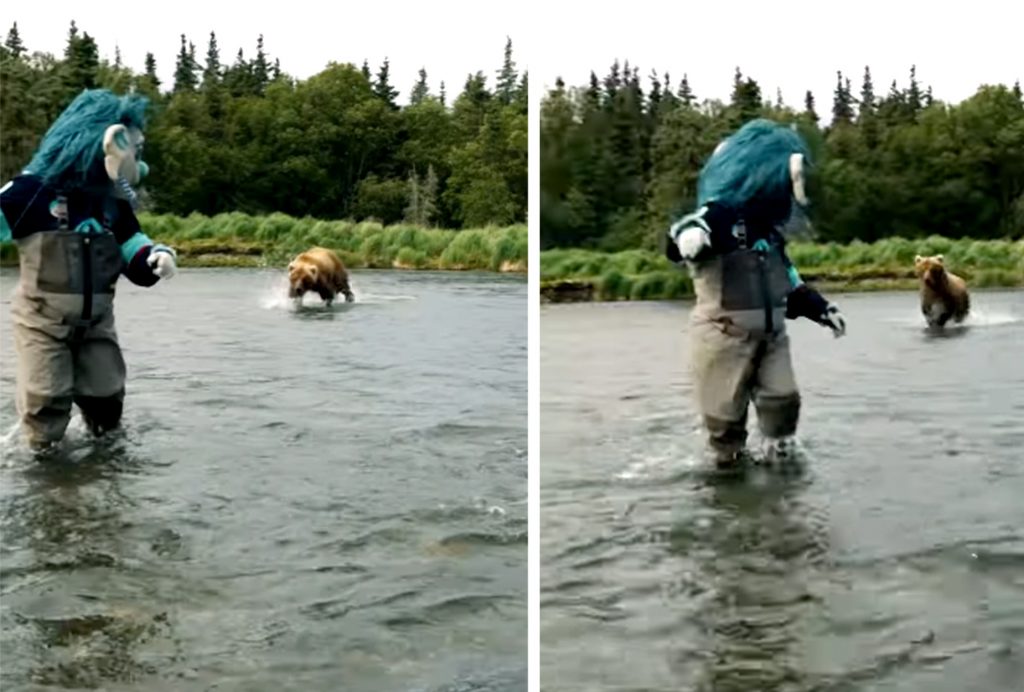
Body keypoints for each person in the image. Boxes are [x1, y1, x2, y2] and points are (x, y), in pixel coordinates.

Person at [0, 89, 178, 451]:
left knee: (107, 399)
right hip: (41, 322)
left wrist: (155, 257)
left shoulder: (112, 203)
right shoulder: (28, 191)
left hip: (98, 323)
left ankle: (105, 462)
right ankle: (42, 466)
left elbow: (134, 249)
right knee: (46, 398)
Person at [665, 119, 846, 468]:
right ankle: (727, 471)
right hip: (722, 337)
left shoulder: (772, 234)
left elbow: (788, 282)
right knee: (723, 417)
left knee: (784, 399)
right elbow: (684, 233)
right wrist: (689, 240)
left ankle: (779, 463)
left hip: (772, 339)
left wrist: (821, 309)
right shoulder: (717, 217)